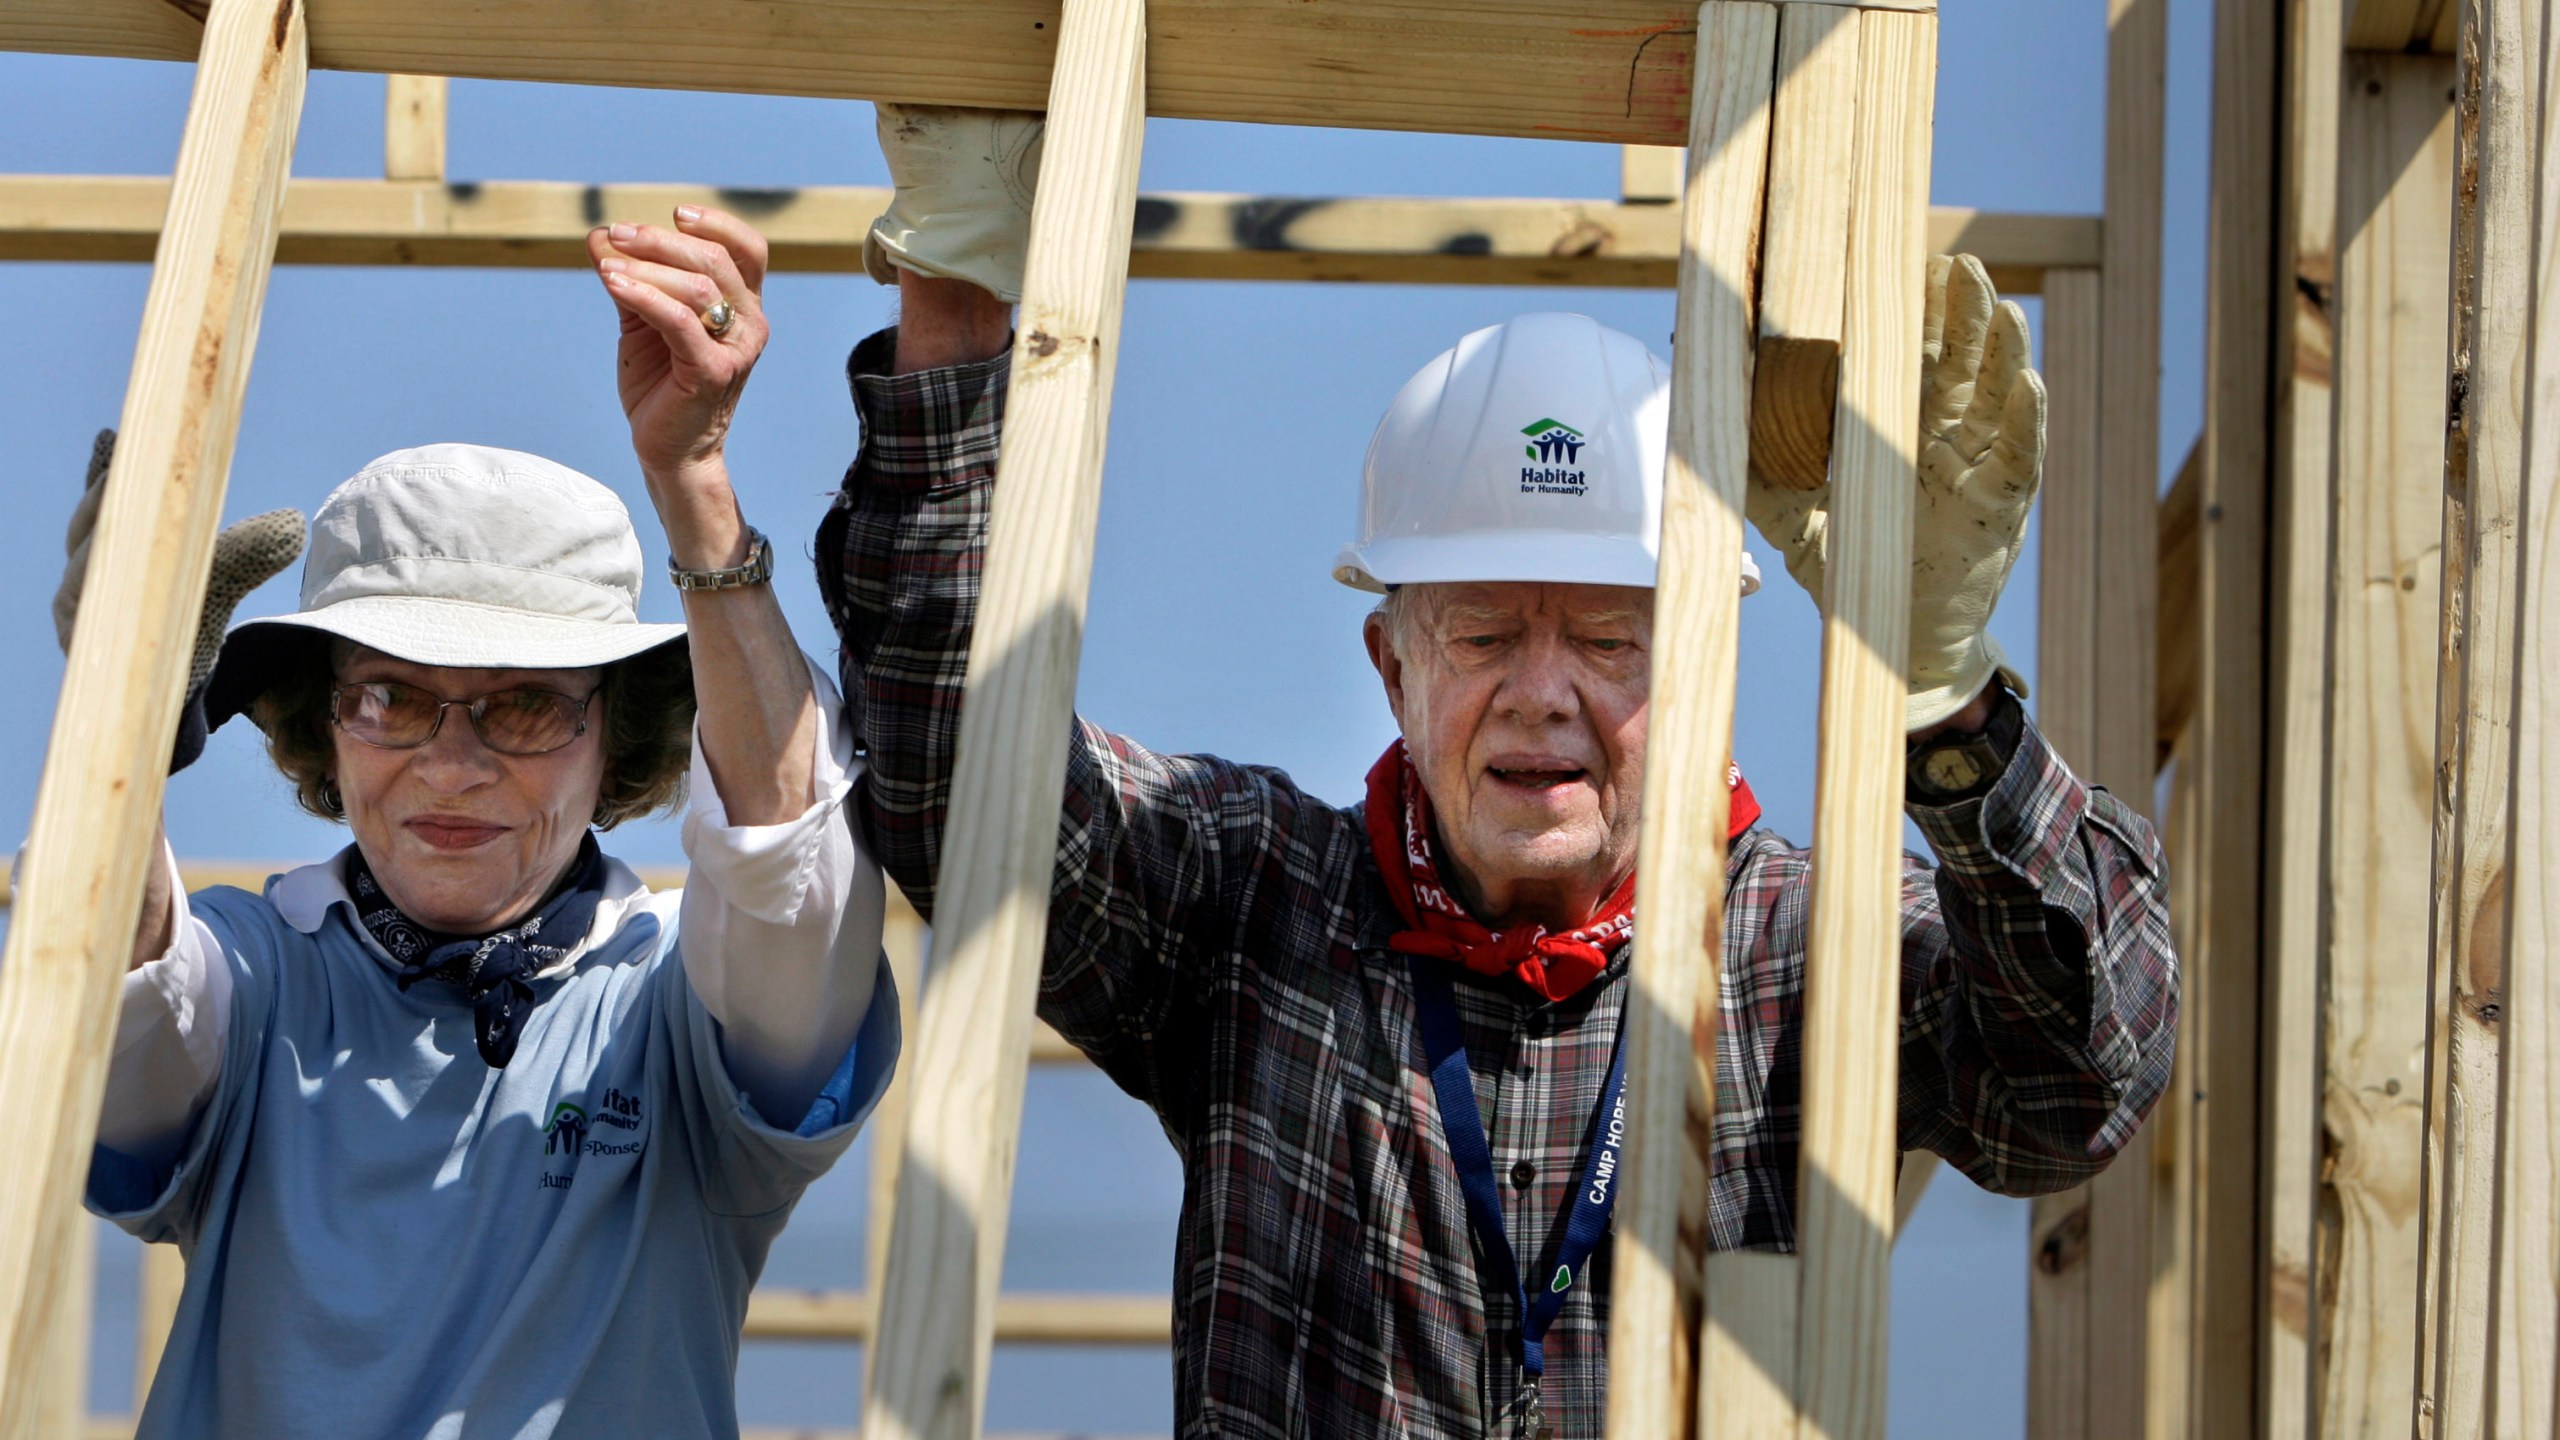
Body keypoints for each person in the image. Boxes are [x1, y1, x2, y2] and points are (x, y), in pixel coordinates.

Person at [824, 110, 2177, 1437]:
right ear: (1392, 664)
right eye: (1481, 634)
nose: (1543, 692)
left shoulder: (1810, 950)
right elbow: (963, 790)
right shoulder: (1251, 903)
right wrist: (958, 297)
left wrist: (1944, 693)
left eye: (1608, 638)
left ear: (1704, 654)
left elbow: (2080, 1080)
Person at [65, 207, 893, 1439]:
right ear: (318, 722)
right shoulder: (253, 974)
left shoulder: (674, 1006)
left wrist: (694, 482)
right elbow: (116, 1018)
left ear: (617, 732)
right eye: (391, 697)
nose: (450, 765)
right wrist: (114, 711)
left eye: (521, 707)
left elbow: (790, 872)